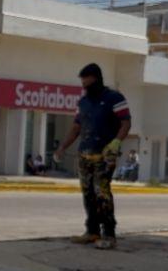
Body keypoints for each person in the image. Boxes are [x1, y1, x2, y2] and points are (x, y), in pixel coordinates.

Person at [54, 63, 131, 250]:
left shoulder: (114, 98)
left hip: (105, 154)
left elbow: (126, 123)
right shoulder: (83, 103)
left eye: (86, 81)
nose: (84, 85)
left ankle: (109, 234)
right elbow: (76, 128)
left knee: (101, 191)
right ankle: (92, 230)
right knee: (87, 192)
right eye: (82, 82)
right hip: (85, 153)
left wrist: (116, 142)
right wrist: (62, 147)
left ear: (95, 79)